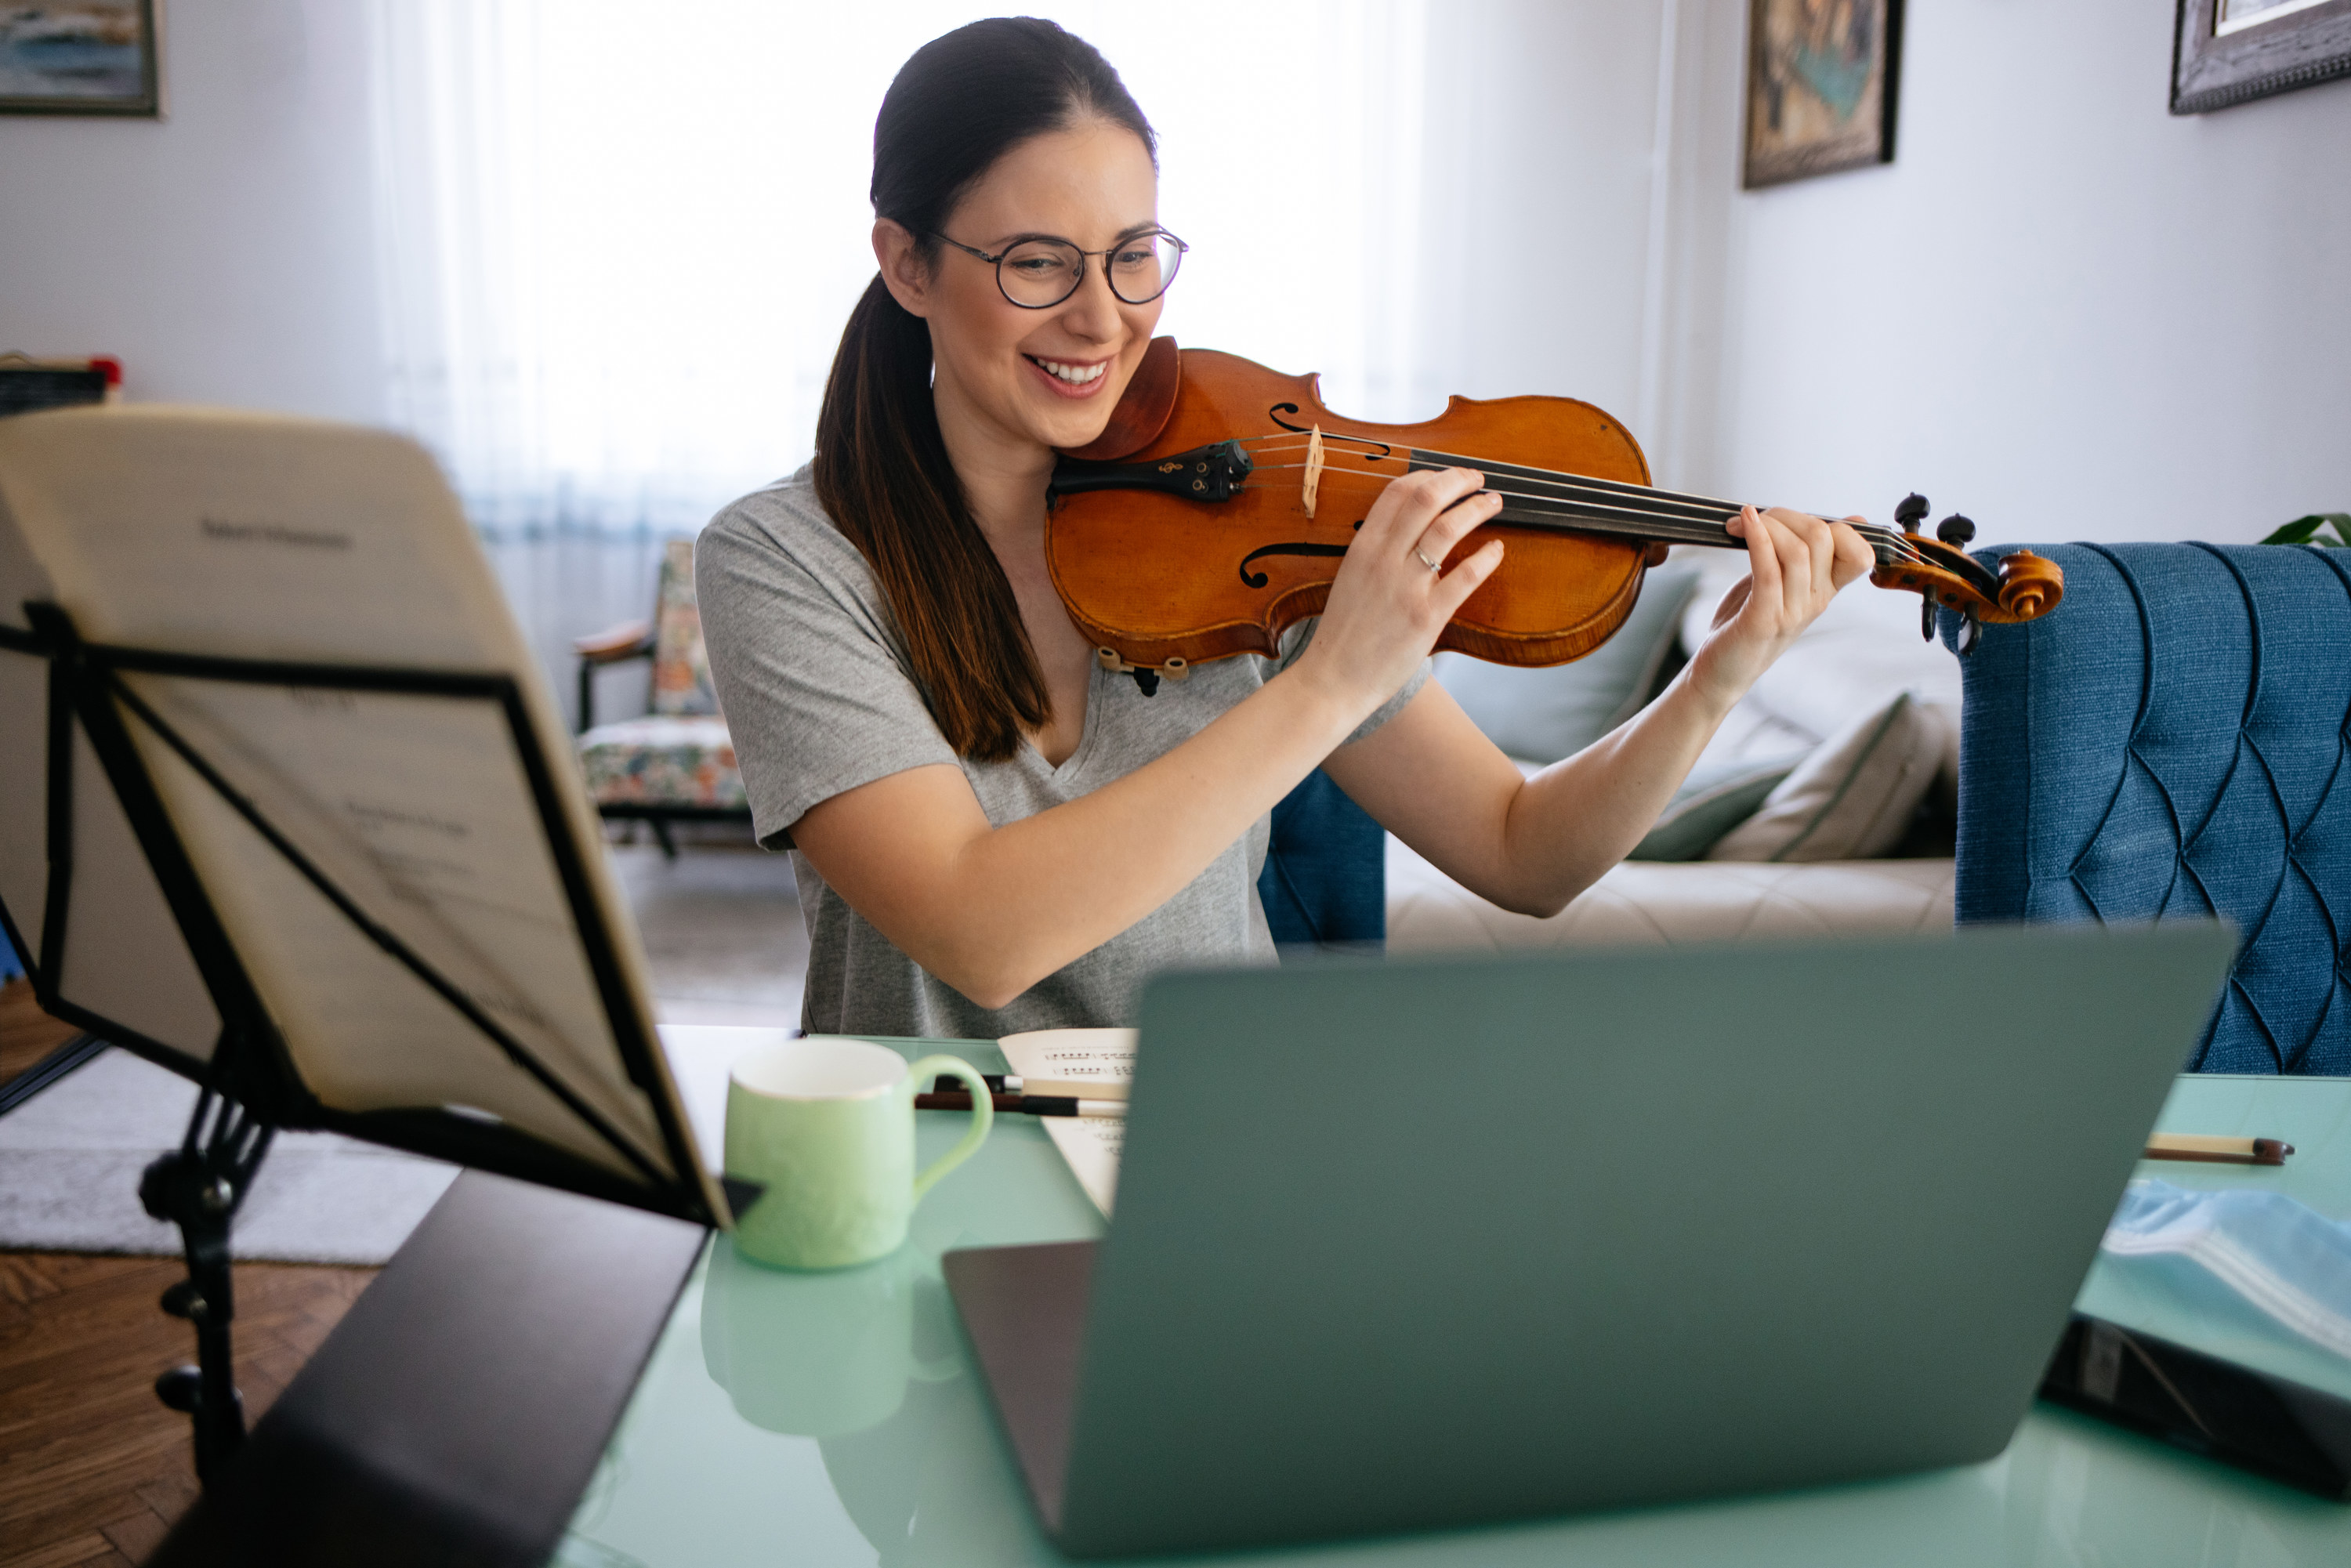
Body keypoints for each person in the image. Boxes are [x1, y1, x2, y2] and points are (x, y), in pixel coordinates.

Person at [698, 17, 1874, 1038]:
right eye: (1038, 263)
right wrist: (1326, 688)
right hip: (921, 1152)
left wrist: (1716, 678)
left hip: (1193, 1153)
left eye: (1133, 257)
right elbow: (980, 929)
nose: (1104, 317)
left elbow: (1526, 854)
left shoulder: (1252, 524)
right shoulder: (785, 560)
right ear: (906, 263)